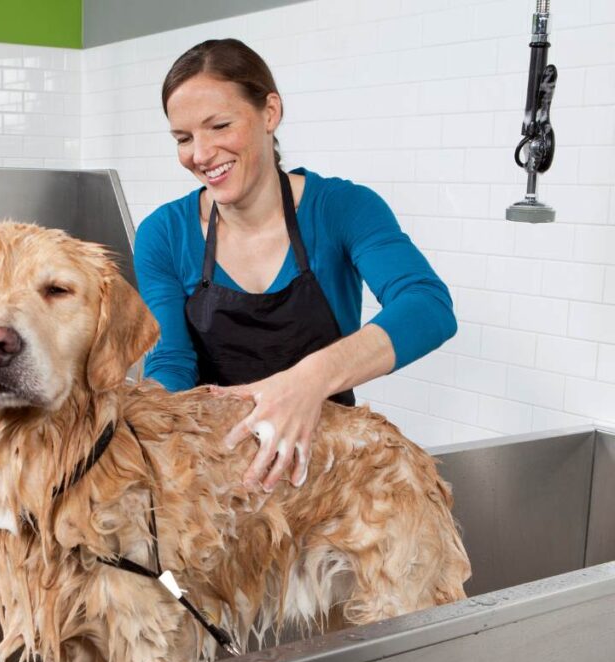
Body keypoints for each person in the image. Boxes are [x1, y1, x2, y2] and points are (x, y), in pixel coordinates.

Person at [133, 39, 456, 493]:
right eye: (183, 139)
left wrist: (307, 381)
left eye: (219, 126)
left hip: (329, 476)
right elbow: (172, 358)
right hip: (218, 477)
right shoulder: (163, 234)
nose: (201, 155)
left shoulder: (342, 209)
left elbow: (427, 306)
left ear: (270, 112)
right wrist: (147, 426)